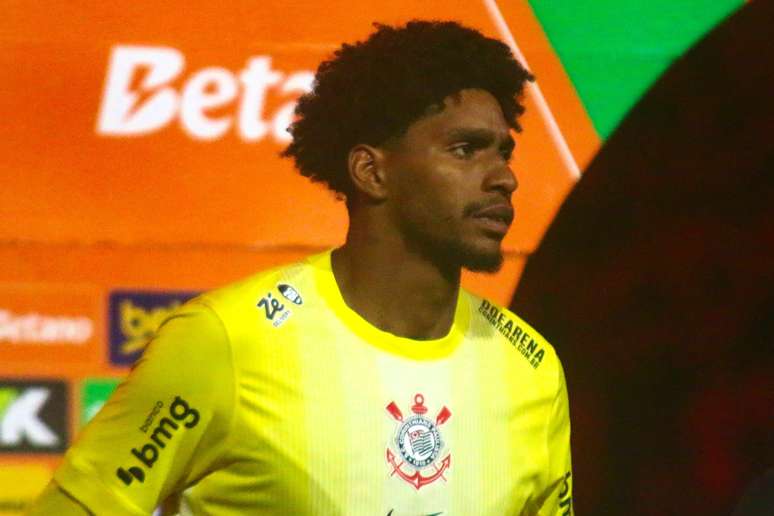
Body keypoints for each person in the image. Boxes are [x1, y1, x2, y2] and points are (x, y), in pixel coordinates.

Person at [29, 20, 572, 515]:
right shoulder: (225, 343)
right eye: (465, 149)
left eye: (504, 152)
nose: (504, 177)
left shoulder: (532, 369)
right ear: (371, 172)